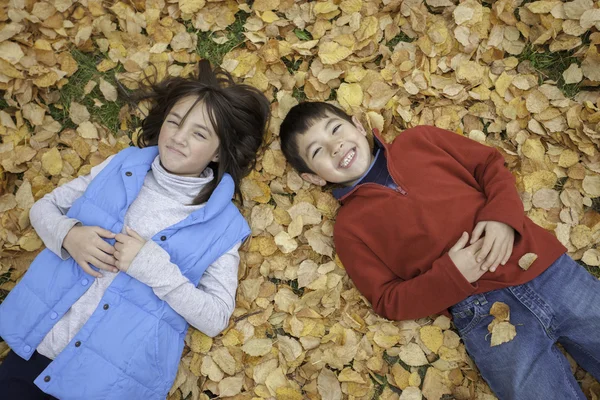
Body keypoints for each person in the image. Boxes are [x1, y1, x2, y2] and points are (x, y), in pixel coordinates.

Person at [279, 101, 600, 400]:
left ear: (357, 126)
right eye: (318, 151)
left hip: (541, 265)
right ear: (314, 178)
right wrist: (452, 276)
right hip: (480, 312)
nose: (336, 146)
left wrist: (503, 219)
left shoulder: (419, 141)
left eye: (335, 130)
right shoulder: (349, 229)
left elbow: (489, 164)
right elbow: (388, 300)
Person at [0, 60, 270, 400]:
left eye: (199, 133)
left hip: (106, 384)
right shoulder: (122, 164)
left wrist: (155, 269)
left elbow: (215, 317)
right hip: (37, 348)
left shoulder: (223, 226)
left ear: (218, 153)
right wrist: (70, 236)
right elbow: (43, 208)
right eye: (175, 122)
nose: (179, 137)